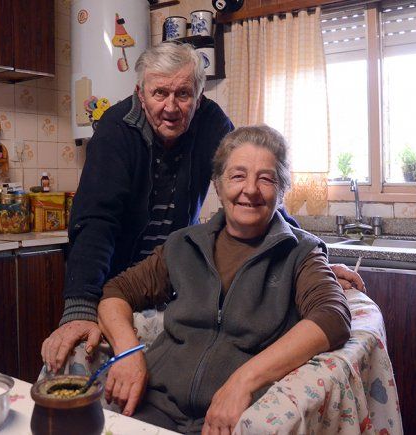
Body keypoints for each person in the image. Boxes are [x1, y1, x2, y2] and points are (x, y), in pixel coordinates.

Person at [41, 43, 363, 373]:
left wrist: (310, 256)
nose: (171, 106)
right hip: (119, 282)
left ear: (199, 95)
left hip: (173, 275)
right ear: (141, 93)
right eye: (159, 93)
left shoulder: (212, 124)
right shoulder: (115, 130)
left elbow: (254, 195)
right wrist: (81, 306)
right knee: (82, 363)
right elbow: (97, 220)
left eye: (183, 94)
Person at [98, 125, 351, 433]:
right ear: (218, 185)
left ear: (282, 190)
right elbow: (117, 291)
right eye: (237, 175)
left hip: (240, 419)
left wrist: (243, 381)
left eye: (266, 178)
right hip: (153, 407)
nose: (251, 189)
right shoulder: (183, 244)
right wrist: (128, 352)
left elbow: (333, 317)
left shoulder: (302, 252)